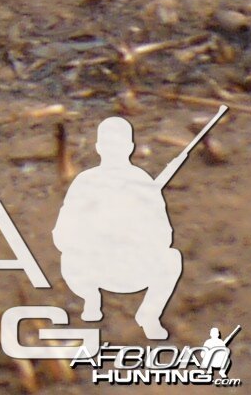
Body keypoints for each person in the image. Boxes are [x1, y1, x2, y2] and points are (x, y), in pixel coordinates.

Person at [55, 115, 188, 340]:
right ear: (99, 147)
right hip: (94, 265)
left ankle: (149, 315)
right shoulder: (86, 182)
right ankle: (91, 302)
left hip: (133, 263)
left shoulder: (141, 182)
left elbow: (164, 234)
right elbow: (62, 232)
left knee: (172, 258)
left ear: (129, 147)